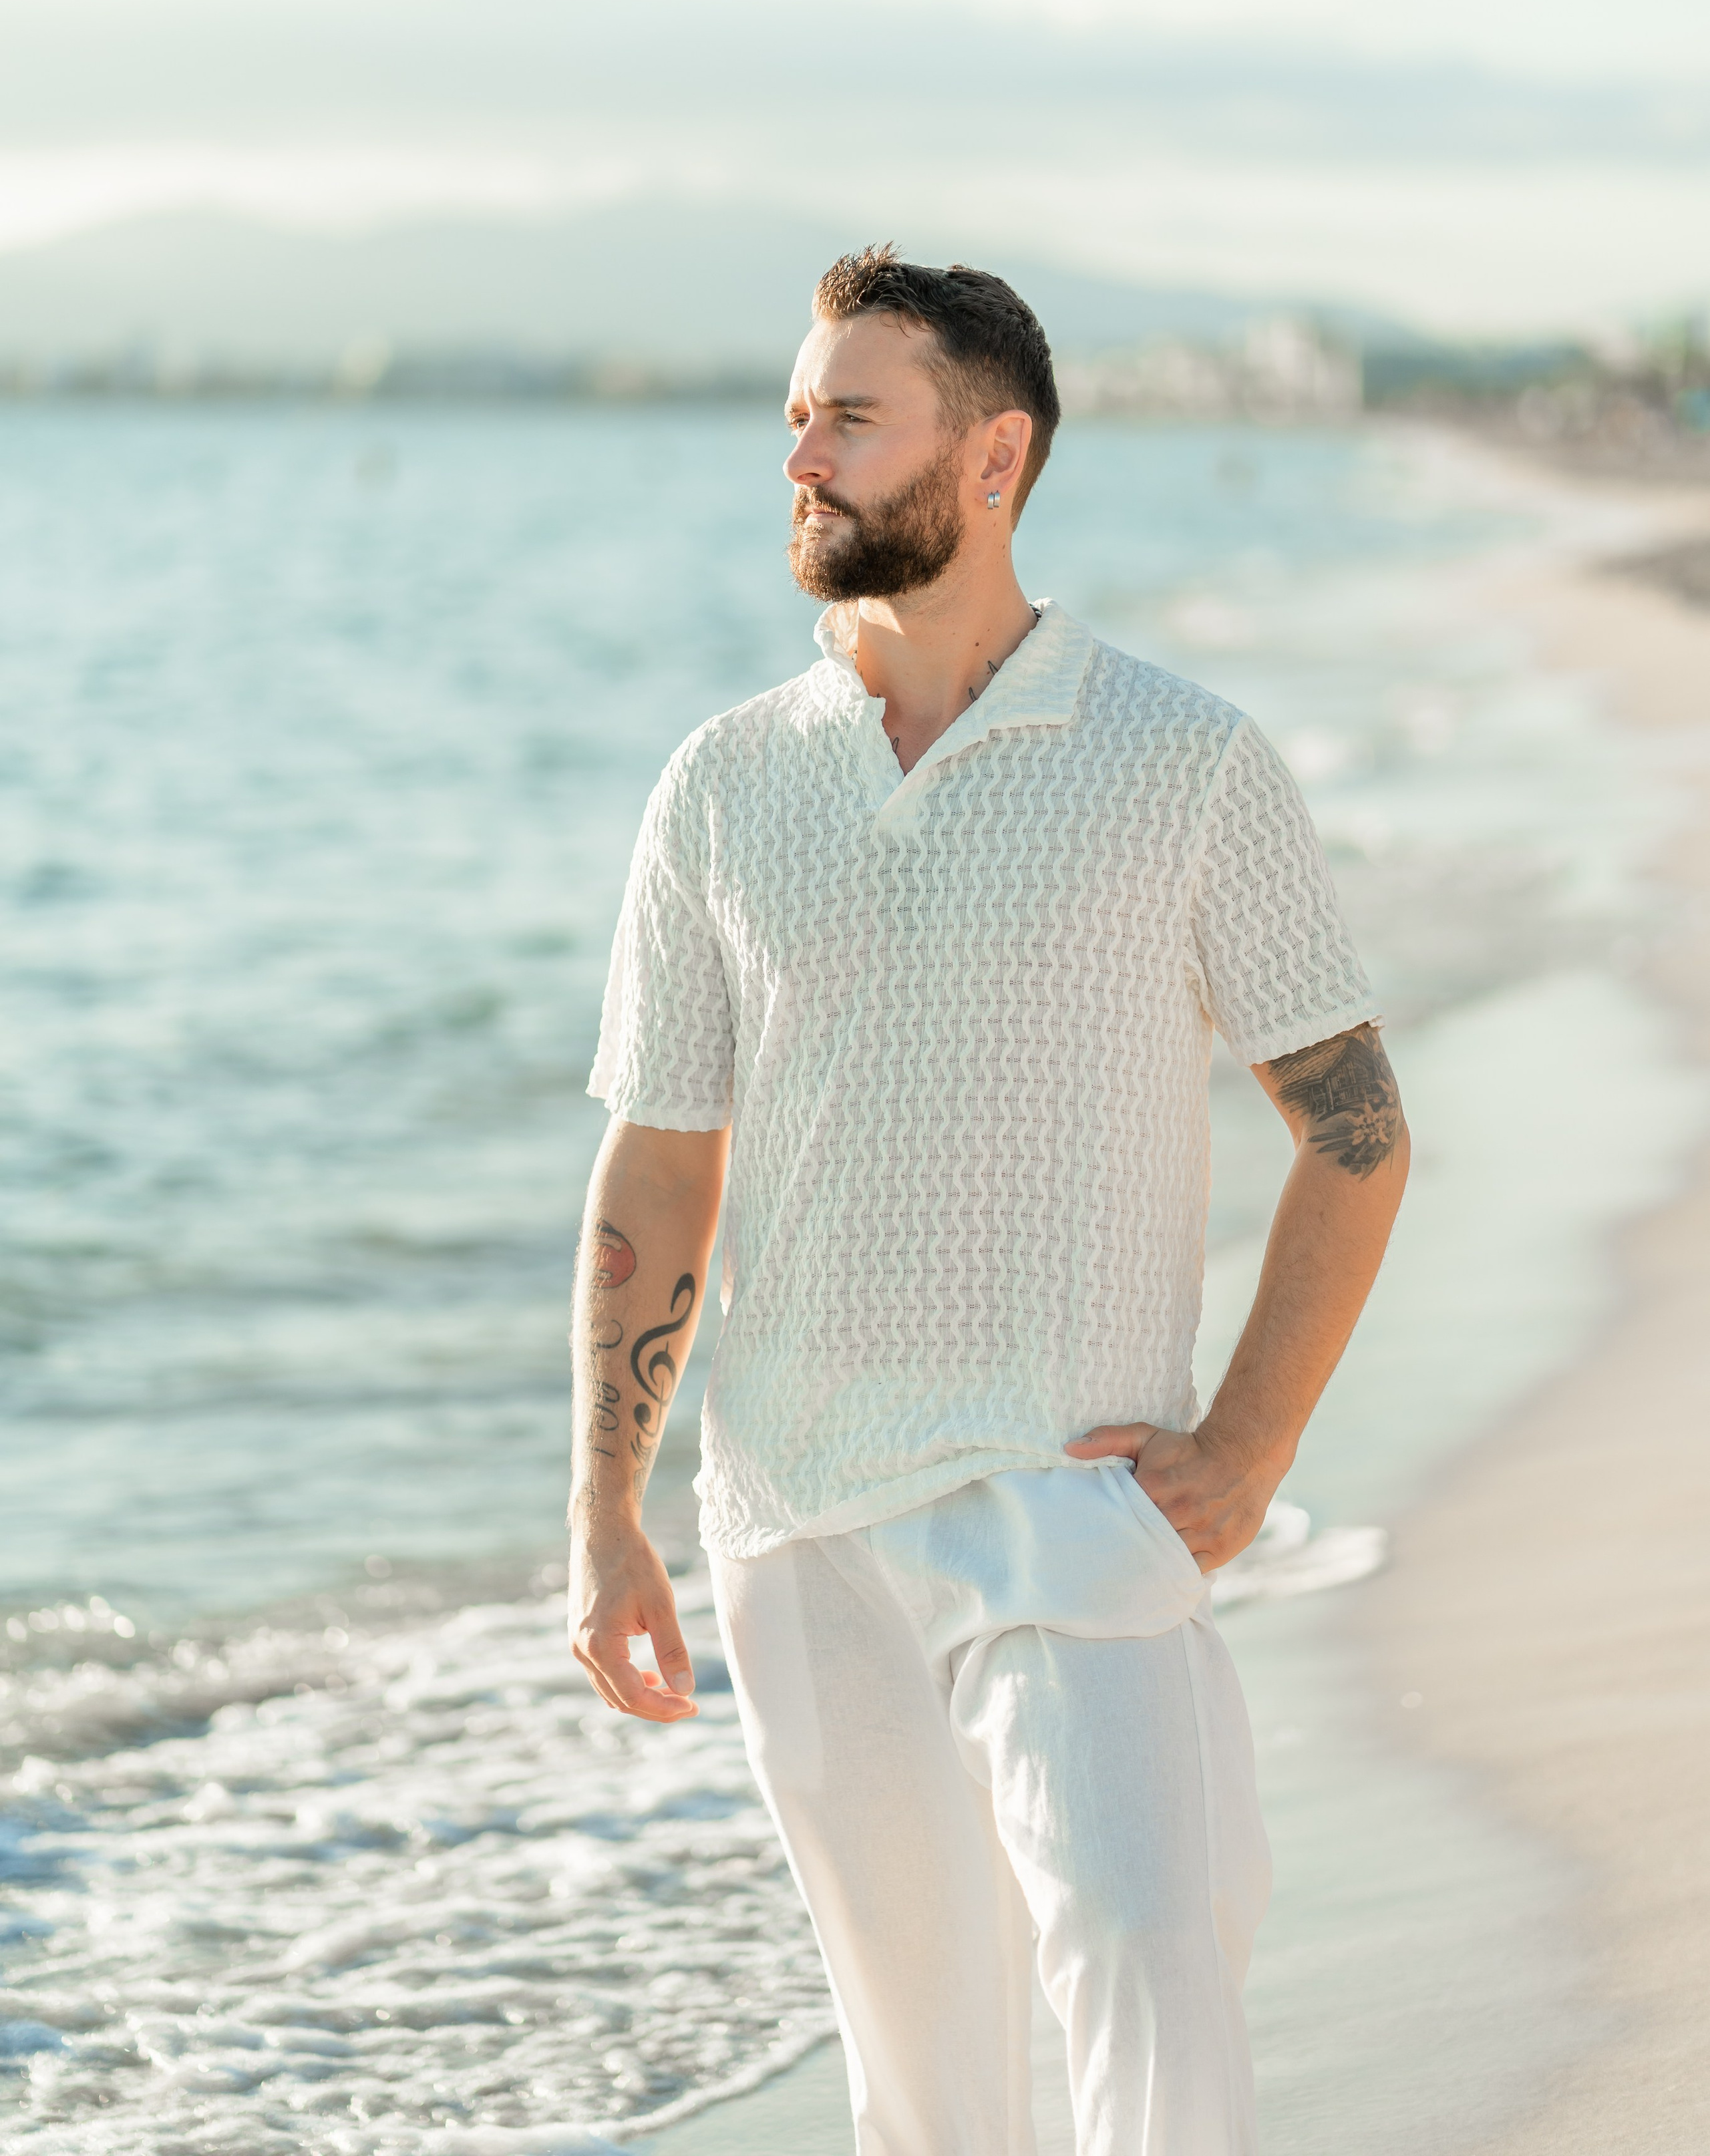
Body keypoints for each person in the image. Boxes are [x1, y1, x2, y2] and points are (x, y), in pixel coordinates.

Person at [566, 244, 1408, 2155]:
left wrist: (1250, 1449)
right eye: (797, 417)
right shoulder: (721, 785)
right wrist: (606, 1505)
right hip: (796, 1524)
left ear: (995, 455)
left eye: (853, 417)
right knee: (929, 2094)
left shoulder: (1182, 760)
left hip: (1066, 1500)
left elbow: (1356, 1133)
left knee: (1145, 1962)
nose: (806, 454)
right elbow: (662, 1161)